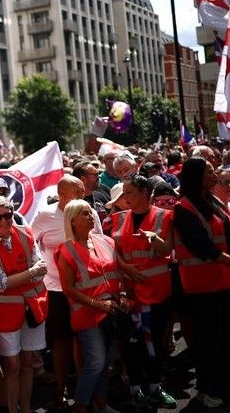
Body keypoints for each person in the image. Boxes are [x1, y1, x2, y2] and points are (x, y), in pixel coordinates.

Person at [173, 157, 230, 407]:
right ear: (197, 176)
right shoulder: (183, 207)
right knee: (210, 341)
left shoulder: (213, 201)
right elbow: (200, 245)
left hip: (227, 283)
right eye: (208, 171)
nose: (214, 173)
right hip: (203, 287)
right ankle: (210, 389)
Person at [0, 196, 47, 413]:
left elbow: (40, 269)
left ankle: (26, 409)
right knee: (12, 365)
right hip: (4, 313)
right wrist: (30, 273)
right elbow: (0, 284)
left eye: (8, 215)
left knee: (27, 361)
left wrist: (23, 276)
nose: (4, 221)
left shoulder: (26, 233)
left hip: (31, 307)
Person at [30, 175, 98, 410]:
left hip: (85, 287)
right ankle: (60, 389)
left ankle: (83, 390)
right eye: (76, 191)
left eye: (82, 190)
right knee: (60, 340)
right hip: (56, 288)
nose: (82, 195)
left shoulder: (89, 212)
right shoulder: (44, 216)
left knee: (85, 338)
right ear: (61, 194)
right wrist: (42, 265)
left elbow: (97, 242)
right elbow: (31, 242)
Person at [110, 175, 176, 410]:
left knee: (154, 342)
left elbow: (167, 249)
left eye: (130, 193)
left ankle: (156, 387)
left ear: (145, 192)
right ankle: (136, 390)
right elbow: (110, 250)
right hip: (128, 292)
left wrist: (153, 238)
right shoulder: (116, 219)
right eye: (124, 193)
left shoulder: (164, 216)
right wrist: (124, 266)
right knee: (131, 343)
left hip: (156, 291)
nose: (125, 197)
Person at [55, 199, 123, 413]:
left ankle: (101, 405)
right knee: (96, 362)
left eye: (90, 212)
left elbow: (117, 273)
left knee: (102, 364)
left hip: (110, 311)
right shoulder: (66, 250)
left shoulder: (106, 241)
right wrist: (98, 304)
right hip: (86, 315)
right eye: (84, 213)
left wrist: (121, 295)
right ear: (73, 221)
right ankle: (81, 406)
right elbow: (68, 289)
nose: (91, 215)